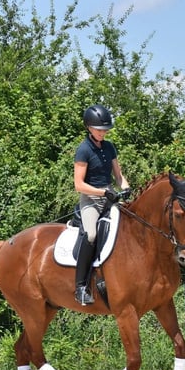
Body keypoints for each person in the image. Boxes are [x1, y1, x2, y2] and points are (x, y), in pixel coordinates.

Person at [73, 104, 130, 305]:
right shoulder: (83, 150)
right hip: (90, 200)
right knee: (91, 235)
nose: (103, 133)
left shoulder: (109, 147)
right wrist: (103, 192)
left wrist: (126, 188)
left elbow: (119, 175)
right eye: (99, 129)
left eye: (106, 130)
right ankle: (80, 286)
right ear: (89, 127)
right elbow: (79, 185)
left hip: (110, 197)